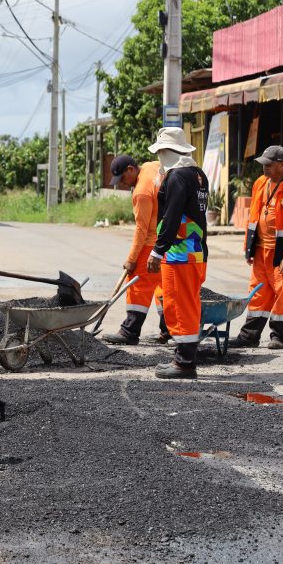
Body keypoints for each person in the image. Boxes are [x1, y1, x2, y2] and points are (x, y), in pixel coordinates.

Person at [231, 145, 283, 350]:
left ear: (282, 165)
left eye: (269, 164)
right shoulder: (260, 183)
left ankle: (279, 337)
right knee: (258, 292)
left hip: (280, 253)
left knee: (281, 293)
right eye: (263, 164)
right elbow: (253, 218)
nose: (264, 168)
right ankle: (249, 336)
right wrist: (248, 247)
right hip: (260, 251)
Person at [145, 127, 208, 380]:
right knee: (187, 305)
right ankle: (183, 359)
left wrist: (157, 250)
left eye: (160, 152)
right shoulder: (198, 174)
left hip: (179, 253)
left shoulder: (177, 177)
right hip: (195, 252)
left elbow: (171, 217)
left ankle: (184, 363)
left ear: (166, 152)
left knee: (178, 306)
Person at [102, 154, 171, 346]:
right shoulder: (153, 166)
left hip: (152, 244)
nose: (123, 183)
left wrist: (131, 259)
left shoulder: (141, 192)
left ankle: (129, 331)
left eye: (123, 178)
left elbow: (142, 230)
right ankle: (169, 329)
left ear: (131, 169)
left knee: (137, 284)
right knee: (164, 286)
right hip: (170, 241)